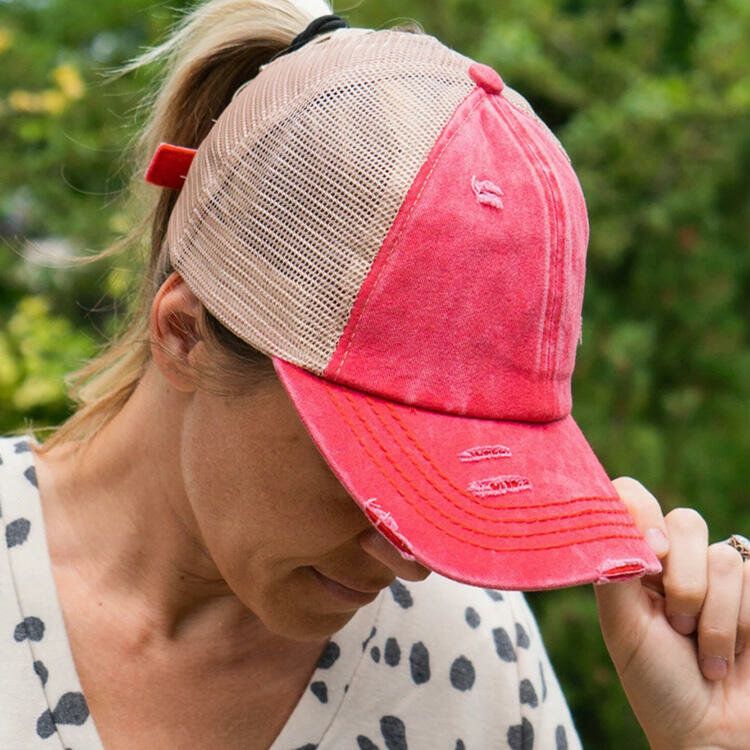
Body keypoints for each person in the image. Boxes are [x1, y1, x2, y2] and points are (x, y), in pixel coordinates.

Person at [1, 1, 748, 748]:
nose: (410, 558)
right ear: (185, 335)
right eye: (367, 464)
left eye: (450, 486)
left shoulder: (476, 665)